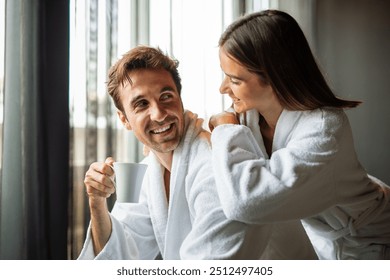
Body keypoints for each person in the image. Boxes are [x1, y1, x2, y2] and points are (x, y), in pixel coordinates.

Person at [77, 45, 317, 260]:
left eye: (166, 97)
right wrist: (97, 202)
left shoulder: (216, 159)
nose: (159, 114)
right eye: (141, 104)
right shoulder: (151, 169)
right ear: (124, 119)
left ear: (180, 100)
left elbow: (215, 261)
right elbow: (120, 256)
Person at [209, 9, 390, 260]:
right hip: (320, 239)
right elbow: (210, 136)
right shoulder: (249, 116)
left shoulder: (325, 130)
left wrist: (226, 129)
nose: (223, 88)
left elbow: (244, 203)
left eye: (235, 80)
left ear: (274, 77)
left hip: (370, 244)